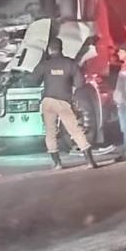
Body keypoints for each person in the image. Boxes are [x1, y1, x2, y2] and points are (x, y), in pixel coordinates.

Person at [32, 37, 98, 170]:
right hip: (63, 101)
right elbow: (80, 83)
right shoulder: (70, 64)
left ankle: (57, 163)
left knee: (50, 132)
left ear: (49, 50)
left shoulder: (45, 64)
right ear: (61, 48)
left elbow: (33, 81)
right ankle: (90, 161)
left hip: (48, 102)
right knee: (75, 130)